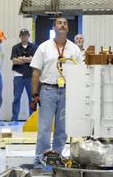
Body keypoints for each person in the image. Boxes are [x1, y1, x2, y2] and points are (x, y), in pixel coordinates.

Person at [30, 16, 83, 156]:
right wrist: (34, 94)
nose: (62, 25)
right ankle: (41, 160)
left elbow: (81, 72)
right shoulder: (44, 47)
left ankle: (56, 159)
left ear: (68, 28)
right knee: (44, 128)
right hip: (47, 90)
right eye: (59, 23)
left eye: (65, 23)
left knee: (62, 129)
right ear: (54, 27)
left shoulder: (74, 49)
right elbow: (36, 72)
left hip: (67, 92)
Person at [9, 28, 36, 122]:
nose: (24, 37)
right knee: (16, 98)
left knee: (31, 99)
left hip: (30, 76)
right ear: (20, 36)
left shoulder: (34, 47)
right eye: (22, 35)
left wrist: (21, 58)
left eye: (26, 35)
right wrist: (28, 59)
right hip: (18, 76)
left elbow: (34, 60)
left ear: (28, 36)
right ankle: (14, 118)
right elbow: (14, 61)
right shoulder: (15, 47)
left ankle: (32, 119)